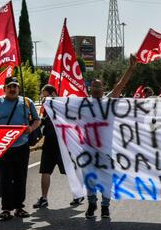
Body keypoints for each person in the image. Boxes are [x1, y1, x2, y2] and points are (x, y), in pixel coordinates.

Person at [85, 54, 137, 219]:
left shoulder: (109, 102)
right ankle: (92, 203)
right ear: (90, 89)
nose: (96, 89)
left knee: (107, 179)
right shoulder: (82, 105)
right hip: (88, 149)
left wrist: (130, 68)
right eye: (94, 86)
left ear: (103, 88)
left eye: (99, 86)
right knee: (90, 178)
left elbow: (120, 85)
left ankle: (105, 206)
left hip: (108, 150)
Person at [0, 77, 41, 220]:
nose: (13, 89)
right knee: (5, 178)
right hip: (3, 147)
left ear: (18, 88)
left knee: (20, 178)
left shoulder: (27, 102)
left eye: (15, 86)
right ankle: (6, 209)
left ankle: (19, 208)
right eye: (10, 86)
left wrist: (31, 128)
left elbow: (37, 119)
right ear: (4, 88)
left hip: (21, 146)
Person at [33, 85, 84, 208]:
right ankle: (44, 198)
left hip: (62, 145)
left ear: (53, 94)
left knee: (69, 171)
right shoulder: (49, 108)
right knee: (45, 171)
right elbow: (46, 121)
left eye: (45, 95)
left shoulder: (62, 107)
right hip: (49, 143)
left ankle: (79, 193)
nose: (43, 98)